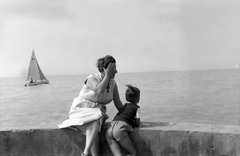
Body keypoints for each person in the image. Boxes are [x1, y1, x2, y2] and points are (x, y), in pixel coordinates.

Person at [58, 55, 123, 156]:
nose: (116, 71)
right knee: (96, 121)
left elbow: (118, 103)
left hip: (97, 113)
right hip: (81, 110)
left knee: (96, 121)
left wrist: (129, 115)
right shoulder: (92, 78)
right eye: (114, 68)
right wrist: (107, 75)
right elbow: (98, 91)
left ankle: (86, 152)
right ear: (107, 69)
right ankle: (87, 152)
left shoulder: (113, 83)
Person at [106, 85, 141, 156]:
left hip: (111, 126)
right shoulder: (136, 108)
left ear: (126, 98)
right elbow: (137, 123)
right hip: (120, 129)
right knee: (133, 153)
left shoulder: (124, 106)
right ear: (138, 99)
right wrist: (133, 124)